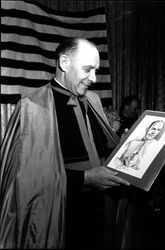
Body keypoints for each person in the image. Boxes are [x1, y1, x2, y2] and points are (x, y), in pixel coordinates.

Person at [0, 37, 130, 250]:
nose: (94, 78)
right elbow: (25, 180)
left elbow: (101, 151)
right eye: (88, 69)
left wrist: (122, 147)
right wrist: (87, 178)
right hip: (59, 218)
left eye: (96, 70)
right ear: (64, 63)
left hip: (98, 213)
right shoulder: (32, 107)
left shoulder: (94, 100)